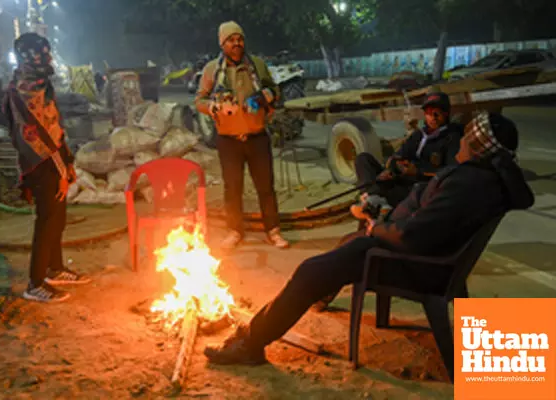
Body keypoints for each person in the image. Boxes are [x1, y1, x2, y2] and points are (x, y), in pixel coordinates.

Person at [204, 112, 534, 365]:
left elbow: (414, 237)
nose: (460, 142)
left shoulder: (469, 184)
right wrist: (384, 213)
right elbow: (426, 222)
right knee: (344, 247)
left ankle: (252, 343)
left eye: (466, 140)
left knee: (310, 270)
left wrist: (377, 228)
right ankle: (309, 296)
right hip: (423, 256)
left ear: (477, 148)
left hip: (413, 265)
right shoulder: (488, 179)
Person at [3, 33, 91, 303]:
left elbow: (54, 126)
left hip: (54, 159)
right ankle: (36, 283)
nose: (49, 59)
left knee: (58, 219)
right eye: (43, 54)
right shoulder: (24, 89)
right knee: (47, 221)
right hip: (40, 163)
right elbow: (37, 137)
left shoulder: (40, 84)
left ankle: (55, 268)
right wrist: (60, 168)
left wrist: (67, 160)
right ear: (30, 58)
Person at [195, 21, 289, 250]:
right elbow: (199, 100)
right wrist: (215, 107)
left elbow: (275, 91)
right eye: (231, 40)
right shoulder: (212, 71)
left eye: (240, 39)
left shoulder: (256, 65)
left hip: (257, 137)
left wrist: (262, 98)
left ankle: (273, 230)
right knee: (232, 188)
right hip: (228, 140)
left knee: (265, 186)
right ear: (222, 43)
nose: (236, 43)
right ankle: (234, 231)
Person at [356, 91, 462, 208]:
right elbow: (399, 155)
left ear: (446, 113)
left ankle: (371, 198)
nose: (433, 116)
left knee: (394, 192)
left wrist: (418, 171)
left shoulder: (452, 138)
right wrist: (392, 169)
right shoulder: (419, 135)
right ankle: (371, 196)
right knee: (363, 159)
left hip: (418, 187)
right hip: (400, 178)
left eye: (438, 112)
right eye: (429, 112)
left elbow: (451, 171)